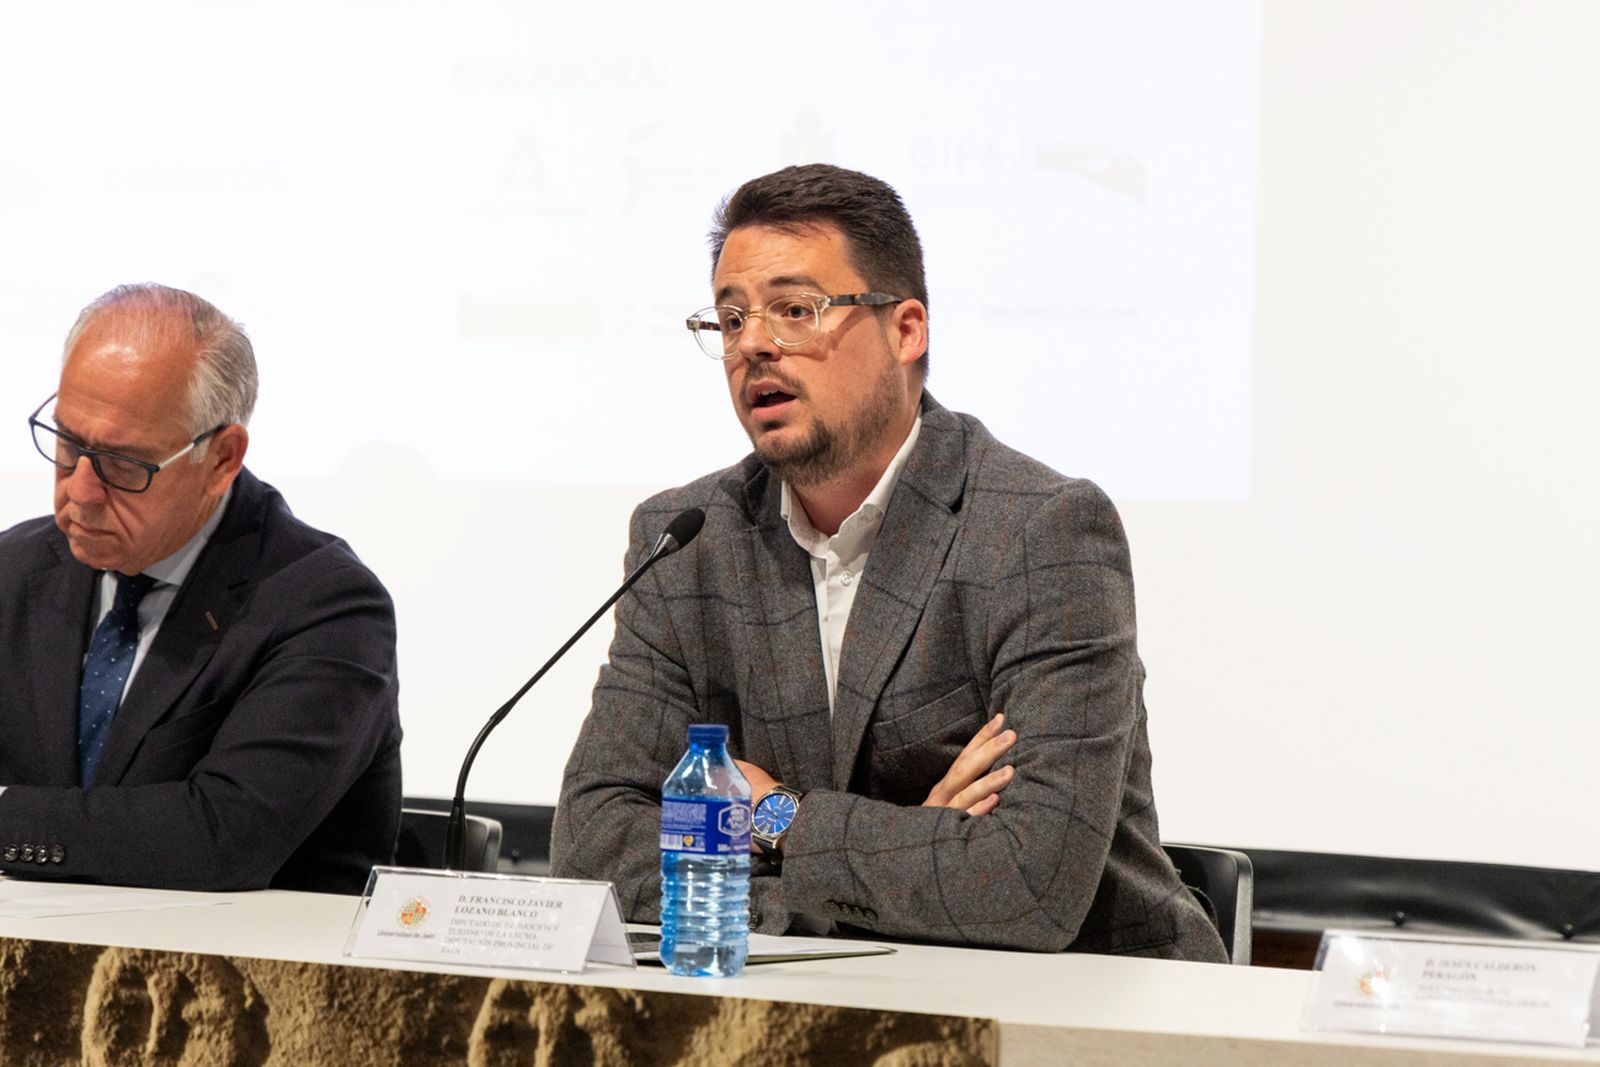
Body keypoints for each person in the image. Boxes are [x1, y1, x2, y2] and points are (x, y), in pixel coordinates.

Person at [552, 164, 1225, 959]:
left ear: (907, 330)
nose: (754, 344)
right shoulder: (686, 540)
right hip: (819, 999)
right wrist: (880, 874)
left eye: (795, 310)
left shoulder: (1043, 533)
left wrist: (778, 815)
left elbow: (1028, 884)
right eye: (730, 320)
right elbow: (593, 845)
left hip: (1085, 1008)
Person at [0, 283, 402, 894]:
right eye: (67, 443)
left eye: (123, 463)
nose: (79, 490)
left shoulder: (326, 606)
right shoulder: (16, 570)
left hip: (255, 977)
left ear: (221, 459)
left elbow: (226, 836)